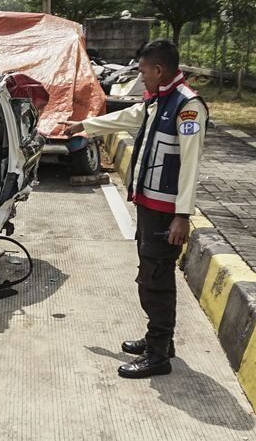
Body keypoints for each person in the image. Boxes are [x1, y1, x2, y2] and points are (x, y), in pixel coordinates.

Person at [62, 39, 208, 378]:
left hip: (165, 209)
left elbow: (190, 165)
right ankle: (160, 338)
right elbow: (127, 117)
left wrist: (182, 216)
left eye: (143, 71)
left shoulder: (187, 107)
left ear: (158, 70)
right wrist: (83, 125)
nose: (140, 77)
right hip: (148, 204)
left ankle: (158, 354)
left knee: (156, 279)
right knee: (150, 272)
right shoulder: (158, 100)